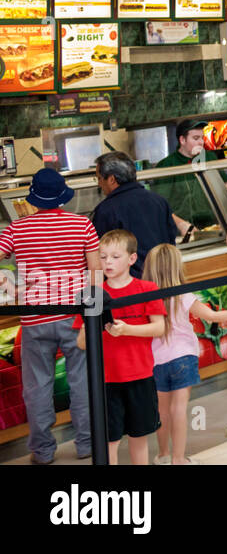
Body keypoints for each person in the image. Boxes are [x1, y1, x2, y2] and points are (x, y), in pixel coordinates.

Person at [0, 168, 99, 464]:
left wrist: (7, 282)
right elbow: (95, 274)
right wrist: (92, 314)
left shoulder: (16, 229)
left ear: (34, 199)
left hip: (34, 318)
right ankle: (87, 444)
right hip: (75, 315)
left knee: (37, 386)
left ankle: (42, 452)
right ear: (63, 197)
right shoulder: (83, 225)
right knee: (82, 381)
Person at [142, 244, 227, 465]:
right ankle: (179, 459)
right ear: (176, 267)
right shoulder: (183, 295)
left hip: (156, 361)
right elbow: (212, 316)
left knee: (161, 410)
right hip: (183, 357)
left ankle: (162, 455)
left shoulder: (145, 297)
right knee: (179, 408)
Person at [74, 230, 164, 466]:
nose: (108, 263)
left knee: (139, 436)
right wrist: (92, 323)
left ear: (131, 259)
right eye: (103, 257)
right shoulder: (93, 295)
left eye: (115, 257)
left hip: (140, 375)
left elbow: (159, 328)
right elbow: (81, 343)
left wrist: (128, 330)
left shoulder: (147, 288)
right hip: (106, 380)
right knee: (109, 440)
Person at [92, 151, 178, 277]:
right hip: (162, 277)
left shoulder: (106, 210)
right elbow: (171, 239)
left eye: (99, 178)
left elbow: (99, 257)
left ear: (111, 179)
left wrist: (95, 296)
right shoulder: (159, 200)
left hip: (130, 286)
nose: (99, 184)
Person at [152, 117, 217, 241]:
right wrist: (182, 225)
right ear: (182, 140)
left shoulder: (209, 158)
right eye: (196, 138)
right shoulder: (167, 165)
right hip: (181, 233)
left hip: (212, 229)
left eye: (202, 138)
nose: (201, 142)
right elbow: (160, 206)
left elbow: (226, 188)